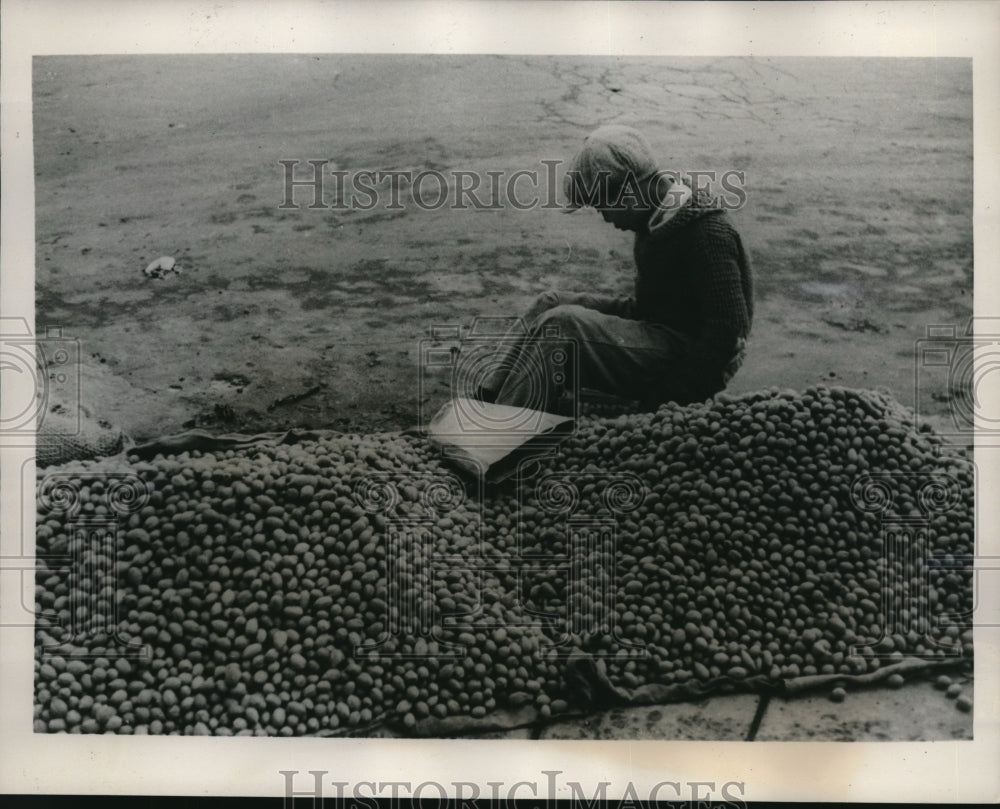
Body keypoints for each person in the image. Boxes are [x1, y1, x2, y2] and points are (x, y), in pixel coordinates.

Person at [476, 124, 753, 415]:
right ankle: (487, 398)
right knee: (550, 303)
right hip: (658, 327)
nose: (605, 218)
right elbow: (653, 307)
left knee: (563, 326)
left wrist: (663, 402)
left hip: (687, 354)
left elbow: (727, 333)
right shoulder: (657, 215)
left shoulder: (706, 233)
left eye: (602, 207)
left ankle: (499, 429)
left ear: (630, 192)